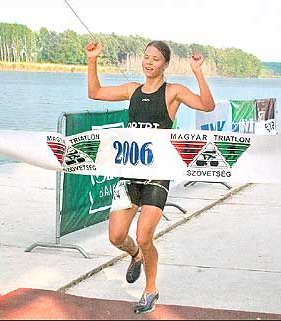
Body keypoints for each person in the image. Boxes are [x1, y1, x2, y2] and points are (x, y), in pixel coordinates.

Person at [86, 40, 215, 314]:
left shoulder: (173, 92)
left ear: (165, 64)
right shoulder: (132, 90)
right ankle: (135, 255)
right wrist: (92, 59)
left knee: (144, 235)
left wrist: (197, 71)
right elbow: (95, 92)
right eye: (146, 57)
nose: (149, 62)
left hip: (157, 175)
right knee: (116, 236)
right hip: (130, 176)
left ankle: (150, 288)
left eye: (155, 59)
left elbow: (207, 105)